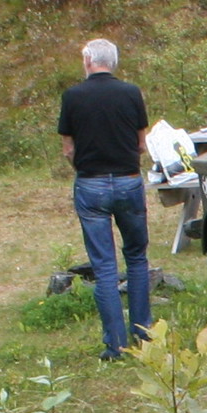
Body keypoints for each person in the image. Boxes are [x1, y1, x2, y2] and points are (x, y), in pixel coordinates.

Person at [56, 37, 152, 361]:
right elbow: (141, 143)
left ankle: (116, 345)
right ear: (114, 61)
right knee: (136, 257)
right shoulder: (131, 93)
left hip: (91, 184)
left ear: (87, 60)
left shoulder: (72, 96)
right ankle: (144, 334)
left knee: (105, 266)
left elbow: (68, 148)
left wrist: (85, 168)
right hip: (128, 180)